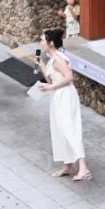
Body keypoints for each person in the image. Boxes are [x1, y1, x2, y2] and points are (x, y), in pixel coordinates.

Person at [36, 28, 91, 181]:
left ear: (51, 43)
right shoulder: (52, 59)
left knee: (70, 129)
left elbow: (68, 78)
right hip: (58, 96)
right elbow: (51, 80)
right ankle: (68, 165)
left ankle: (83, 167)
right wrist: (41, 64)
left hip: (66, 95)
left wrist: (50, 87)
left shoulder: (59, 59)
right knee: (59, 129)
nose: (40, 42)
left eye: (42, 40)